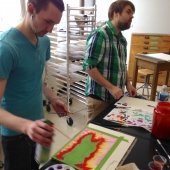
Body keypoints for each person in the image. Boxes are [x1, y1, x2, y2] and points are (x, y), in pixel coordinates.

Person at [0, 0, 68, 169]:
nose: (50, 30)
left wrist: (52, 98)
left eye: (55, 24)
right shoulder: (6, 48)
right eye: (48, 21)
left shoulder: (44, 40)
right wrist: (27, 126)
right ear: (31, 9)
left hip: (38, 126)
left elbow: (36, 78)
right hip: (15, 135)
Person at [83, 0, 137, 121]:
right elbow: (89, 67)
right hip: (99, 99)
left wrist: (128, 84)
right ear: (115, 13)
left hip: (116, 98)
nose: (131, 16)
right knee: (96, 136)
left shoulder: (122, 40)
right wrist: (111, 87)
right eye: (128, 12)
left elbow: (122, 65)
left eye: (132, 14)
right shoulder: (100, 35)